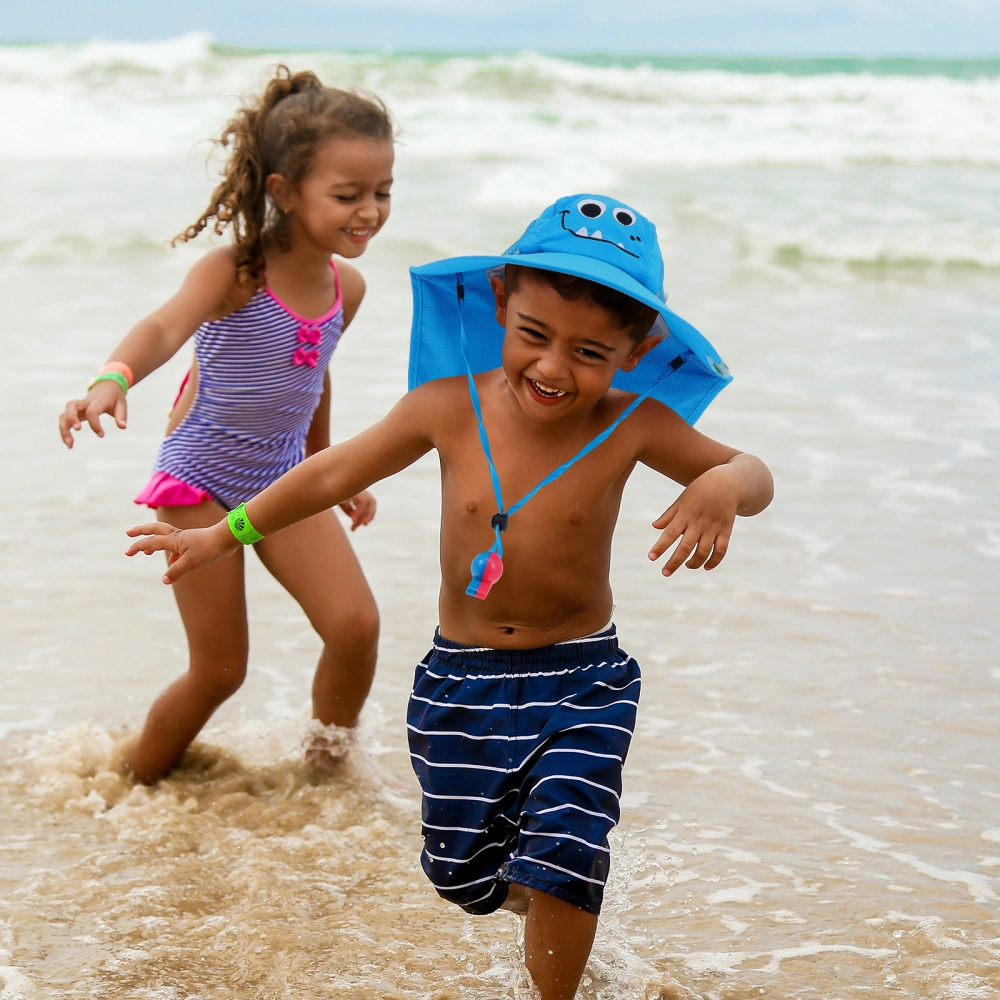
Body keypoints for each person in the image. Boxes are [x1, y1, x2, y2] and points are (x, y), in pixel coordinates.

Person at [124, 194, 774, 999]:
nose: (553, 368)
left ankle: (556, 961)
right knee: (462, 876)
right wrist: (223, 535)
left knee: (569, 840)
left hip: (584, 677)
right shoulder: (445, 407)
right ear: (501, 303)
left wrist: (722, 484)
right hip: (460, 682)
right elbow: (328, 473)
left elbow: (755, 473)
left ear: (635, 351)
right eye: (534, 335)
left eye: (589, 353)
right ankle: (549, 902)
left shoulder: (634, 423)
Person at [57, 66, 394, 783]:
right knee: (219, 670)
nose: (369, 210)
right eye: (348, 195)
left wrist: (328, 470)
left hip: (282, 476)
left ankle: (323, 781)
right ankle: (134, 786)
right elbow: (163, 325)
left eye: (382, 191)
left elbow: (312, 375)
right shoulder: (236, 271)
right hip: (199, 479)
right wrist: (111, 379)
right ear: (283, 190)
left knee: (355, 626)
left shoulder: (348, 287)